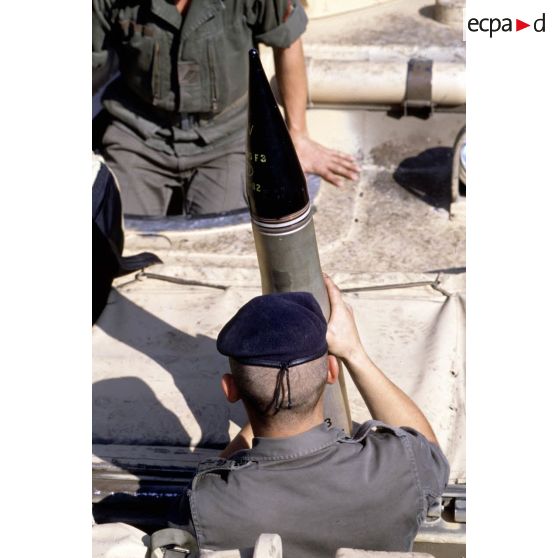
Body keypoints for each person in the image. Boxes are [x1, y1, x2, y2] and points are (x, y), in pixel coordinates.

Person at [181, 275, 449, 556]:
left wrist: (262, 402)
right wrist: (354, 353)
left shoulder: (207, 503)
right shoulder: (398, 467)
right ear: (331, 372)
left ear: (230, 389)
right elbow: (430, 451)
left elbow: (193, 502)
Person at [92, 0, 360, 217]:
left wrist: (298, 135)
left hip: (228, 136)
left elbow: (287, 41)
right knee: (112, 233)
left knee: (227, 233)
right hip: (139, 134)